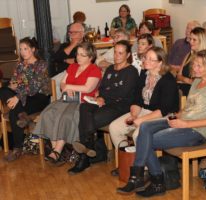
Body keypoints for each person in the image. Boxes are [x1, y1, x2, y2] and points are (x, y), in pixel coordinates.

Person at [117, 49, 206, 197]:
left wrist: (185, 124)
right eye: (194, 65)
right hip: (182, 122)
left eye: (200, 66)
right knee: (145, 127)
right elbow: (188, 109)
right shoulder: (197, 82)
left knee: (145, 139)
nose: (195, 68)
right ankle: (146, 179)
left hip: (197, 131)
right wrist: (175, 116)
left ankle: (149, 180)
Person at [68, 40, 139, 174]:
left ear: (127, 54)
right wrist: (100, 96)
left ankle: (86, 155)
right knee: (84, 108)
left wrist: (104, 97)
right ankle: (92, 151)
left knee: (92, 119)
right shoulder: (110, 69)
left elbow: (122, 93)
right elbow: (102, 87)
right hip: (104, 102)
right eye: (115, 52)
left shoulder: (131, 71)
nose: (117, 56)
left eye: (120, 53)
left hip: (120, 106)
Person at [33, 42, 101, 165]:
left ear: (91, 57)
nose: (78, 57)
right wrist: (67, 88)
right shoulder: (72, 67)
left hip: (82, 102)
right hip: (67, 99)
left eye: (82, 55)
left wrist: (69, 87)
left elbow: (88, 89)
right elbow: (62, 84)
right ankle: (57, 150)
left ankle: (57, 151)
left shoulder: (94, 70)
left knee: (65, 117)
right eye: (77, 54)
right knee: (48, 114)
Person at [109, 46, 179, 158]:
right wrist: (134, 115)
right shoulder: (144, 74)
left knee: (139, 134)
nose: (146, 61)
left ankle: (143, 168)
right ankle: (128, 160)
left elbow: (164, 109)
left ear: (160, 63)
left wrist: (141, 120)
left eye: (151, 59)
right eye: (146, 58)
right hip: (143, 112)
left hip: (162, 116)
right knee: (114, 127)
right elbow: (137, 99)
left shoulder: (168, 80)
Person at [0, 37, 50, 162]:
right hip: (23, 98)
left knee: (13, 112)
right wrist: (12, 85)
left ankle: (17, 149)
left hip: (39, 98)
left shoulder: (41, 64)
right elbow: (15, 82)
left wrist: (17, 96)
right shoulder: (20, 65)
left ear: (33, 49)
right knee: (3, 90)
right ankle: (23, 115)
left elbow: (33, 87)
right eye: (21, 49)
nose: (22, 52)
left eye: (25, 49)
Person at [52, 22, 85, 98]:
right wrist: (73, 44)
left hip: (77, 72)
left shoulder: (86, 46)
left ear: (82, 34)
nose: (72, 34)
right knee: (53, 82)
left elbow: (85, 61)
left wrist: (69, 60)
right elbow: (56, 58)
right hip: (62, 73)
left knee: (55, 82)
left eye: (75, 32)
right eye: (70, 32)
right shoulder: (65, 45)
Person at [176, 27, 206, 96]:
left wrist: (184, 80)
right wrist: (187, 80)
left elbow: (203, 82)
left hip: (198, 92)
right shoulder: (189, 55)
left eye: (194, 40)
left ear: (202, 41)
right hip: (184, 87)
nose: (190, 42)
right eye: (190, 39)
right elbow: (178, 75)